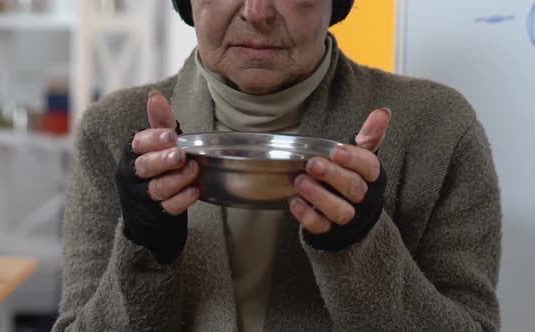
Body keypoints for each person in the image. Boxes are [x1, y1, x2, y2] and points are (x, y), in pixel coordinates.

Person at [52, 0, 501, 331]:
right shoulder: (114, 131)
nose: (257, 12)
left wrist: (361, 244)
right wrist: (145, 244)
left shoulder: (437, 130)